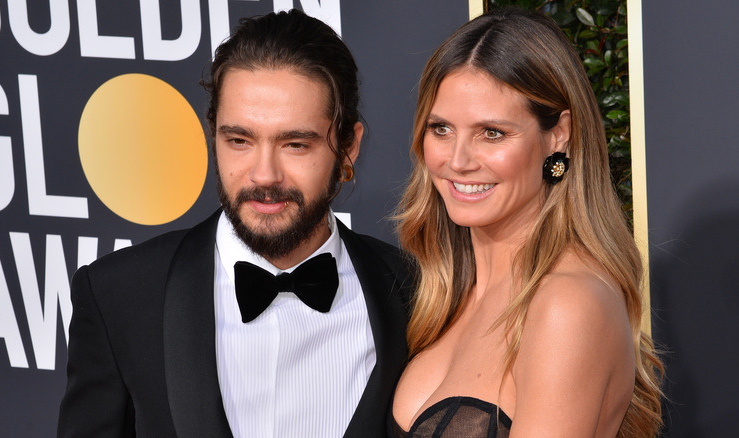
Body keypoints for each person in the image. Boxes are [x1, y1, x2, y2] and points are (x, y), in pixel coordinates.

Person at [57, 9, 412, 438]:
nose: (264, 175)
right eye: (239, 140)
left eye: (295, 144)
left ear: (349, 147)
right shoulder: (119, 296)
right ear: (214, 135)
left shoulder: (415, 294)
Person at [392, 8, 662, 438]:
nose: (457, 161)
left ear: (558, 135)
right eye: (441, 129)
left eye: (492, 133)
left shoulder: (566, 304)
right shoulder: (444, 293)